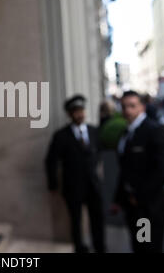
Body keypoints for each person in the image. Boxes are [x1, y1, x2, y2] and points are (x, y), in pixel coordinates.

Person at [111, 91, 164, 253]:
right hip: (134, 208)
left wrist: (138, 197)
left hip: (148, 208)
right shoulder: (127, 133)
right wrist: (118, 199)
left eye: (132, 106)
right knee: (139, 246)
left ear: (142, 107)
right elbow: (125, 169)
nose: (128, 110)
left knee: (147, 248)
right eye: (124, 106)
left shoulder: (153, 130)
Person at [45, 95, 105, 253]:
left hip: (93, 186)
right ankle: (80, 248)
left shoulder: (94, 131)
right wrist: (53, 185)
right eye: (75, 111)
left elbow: (98, 153)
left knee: (97, 220)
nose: (79, 114)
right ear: (69, 114)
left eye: (81, 111)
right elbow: (51, 161)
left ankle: (100, 247)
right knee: (76, 221)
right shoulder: (61, 136)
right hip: (73, 187)